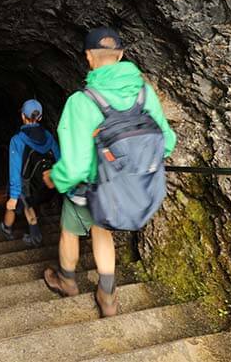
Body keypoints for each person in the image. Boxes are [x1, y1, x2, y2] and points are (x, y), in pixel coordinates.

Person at [42, 27, 177, 317]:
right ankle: (107, 296)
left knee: (69, 232)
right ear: (121, 55)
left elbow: (76, 166)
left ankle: (67, 281)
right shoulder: (144, 92)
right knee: (102, 232)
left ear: (89, 57)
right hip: (122, 185)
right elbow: (166, 142)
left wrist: (55, 178)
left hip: (88, 185)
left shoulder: (81, 102)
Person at [0, 99, 61, 247]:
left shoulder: (17, 140)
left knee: (18, 205)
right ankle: (30, 232)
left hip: (25, 184)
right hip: (45, 184)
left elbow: (14, 169)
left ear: (22, 116)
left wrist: (13, 196)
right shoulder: (48, 136)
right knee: (33, 203)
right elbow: (59, 159)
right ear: (39, 117)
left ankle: (8, 229)